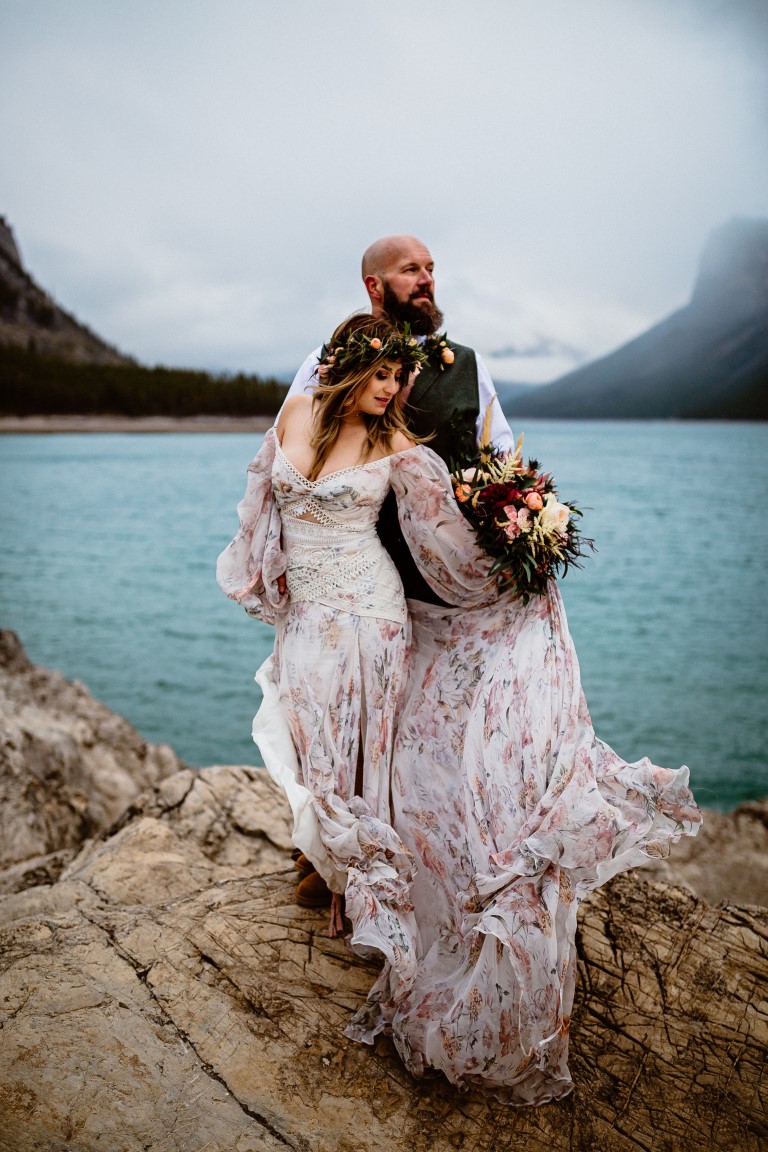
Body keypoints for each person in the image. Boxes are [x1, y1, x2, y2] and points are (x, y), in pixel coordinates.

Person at [222, 274, 702, 1106]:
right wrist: (270, 580)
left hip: (374, 616)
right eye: (382, 379)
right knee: (311, 744)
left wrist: (519, 550)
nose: (393, 393)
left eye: (399, 383)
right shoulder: (296, 415)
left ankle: (347, 897)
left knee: (363, 750)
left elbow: (441, 527)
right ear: (349, 368)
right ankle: (336, 874)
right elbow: (263, 499)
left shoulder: (393, 443)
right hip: (309, 619)